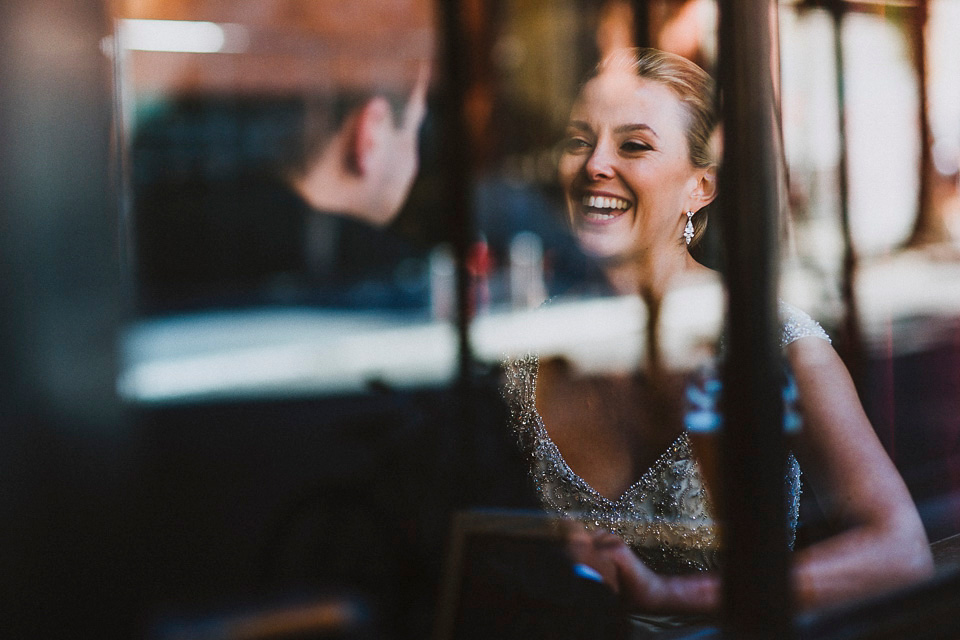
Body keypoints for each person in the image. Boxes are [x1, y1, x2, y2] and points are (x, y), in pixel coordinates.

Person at [501, 47, 933, 626]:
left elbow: (901, 553)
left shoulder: (778, 344)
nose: (594, 164)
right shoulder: (523, 347)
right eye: (580, 140)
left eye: (634, 145)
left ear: (700, 186)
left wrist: (670, 599)